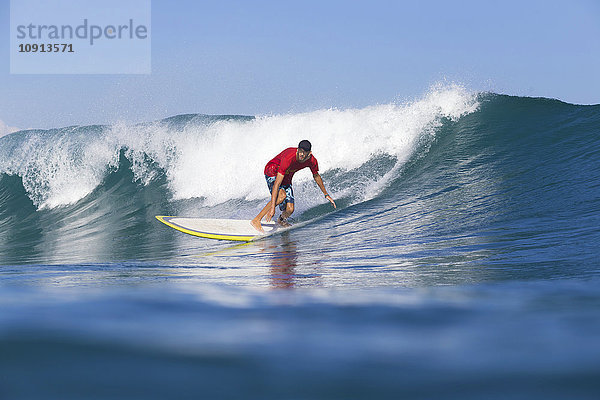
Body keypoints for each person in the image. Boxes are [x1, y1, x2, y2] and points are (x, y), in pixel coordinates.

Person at [251, 140, 336, 233]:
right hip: (273, 170)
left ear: (309, 153)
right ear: (297, 149)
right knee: (281, 196)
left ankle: (281, 220)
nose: (301, 154)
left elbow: (316, 176)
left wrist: (326, 194)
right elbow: (277, 184)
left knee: (290, 209)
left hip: (287, 174)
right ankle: (256, 220)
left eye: (304, 152)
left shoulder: (312, 161)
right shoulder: (288, 158)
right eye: (300, 151)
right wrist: (272, 209)